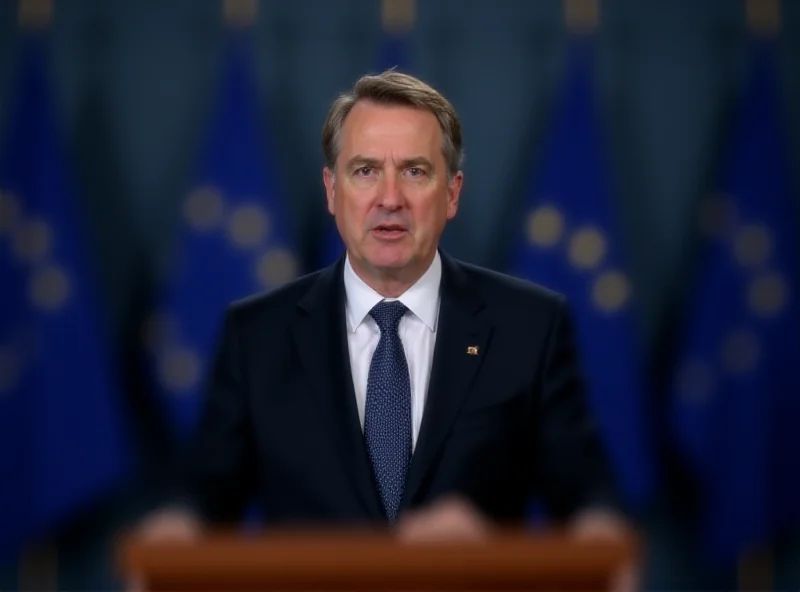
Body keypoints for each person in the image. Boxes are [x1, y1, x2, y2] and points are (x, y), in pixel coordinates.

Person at [138, 70, 632, 550]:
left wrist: (601, 536)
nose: (389, 198)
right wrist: (174, 531)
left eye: (415, 172)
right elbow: (203, 491)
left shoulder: (529, 327)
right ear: (332, 191)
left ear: (453, 192)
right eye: (366, 171)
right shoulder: (258, 334)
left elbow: (587, 492)